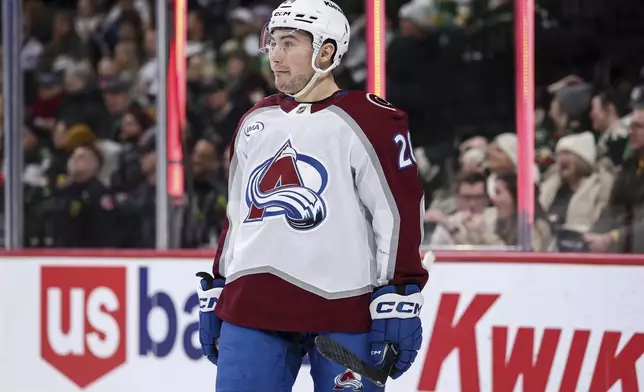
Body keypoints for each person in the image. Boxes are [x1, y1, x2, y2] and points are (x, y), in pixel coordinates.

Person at [195, 1, 428, 391]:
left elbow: (398, 213)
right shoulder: (255, 120)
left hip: (344, 308)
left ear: (326, 51)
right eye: (272, 43)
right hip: (253, 304)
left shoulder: (371, 120)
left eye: (289, 43)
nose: (275, 56)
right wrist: (220, 283)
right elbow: (236, 218)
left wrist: (400, 292)